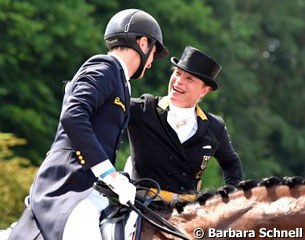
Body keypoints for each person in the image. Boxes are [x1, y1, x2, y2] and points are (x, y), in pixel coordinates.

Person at [7, 9, 168, 240]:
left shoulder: (121, 82)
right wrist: (109, 174)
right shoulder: (104, 67)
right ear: (143, 43)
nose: (151, 62)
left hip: (90, 188)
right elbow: (73, 115)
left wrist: (118, 177)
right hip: (66, 185)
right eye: (153, 53)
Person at [125, 46, 243, 202]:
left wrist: (230, 197)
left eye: (189, 79)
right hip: (143, 207)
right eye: (177, 73)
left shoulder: (215, 127)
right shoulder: (142, 109)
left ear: (204, 91)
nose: (179, 81)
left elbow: (231, 163)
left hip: (190, 213)